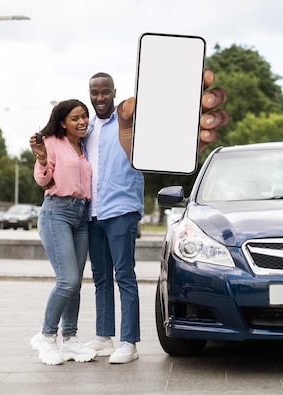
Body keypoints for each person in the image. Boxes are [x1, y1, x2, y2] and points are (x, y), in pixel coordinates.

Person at [83, 70, 228, 364]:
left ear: (114, 92)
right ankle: (103, 335)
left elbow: (160, 137)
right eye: (95, 92)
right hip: (92, 212)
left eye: (105, 92)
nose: (100, 97)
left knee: (124, 276)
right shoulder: (85, 130)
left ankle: (128, 342)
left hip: (121, 210)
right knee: (100, 278)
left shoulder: (131, 125)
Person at [29, 99, 98, 366]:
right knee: (67, 280)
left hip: (81, 215)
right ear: (62, 122)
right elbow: (43, 180)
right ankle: (46, 337)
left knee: (76, 283)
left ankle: (69, 340)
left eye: (84, 117)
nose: (82, 122)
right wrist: (42, 158)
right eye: (75, 118)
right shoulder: (51, 143)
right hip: (56, 212)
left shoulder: (82, 147)